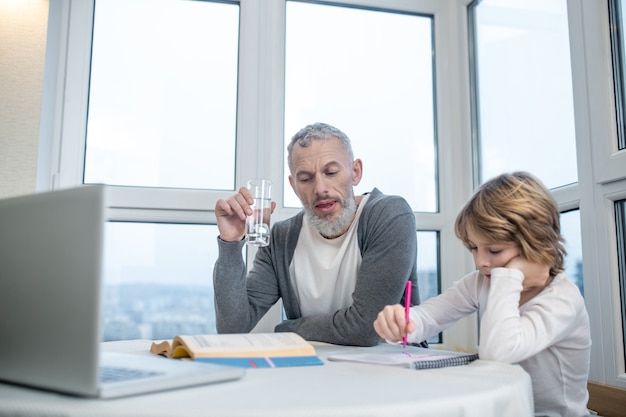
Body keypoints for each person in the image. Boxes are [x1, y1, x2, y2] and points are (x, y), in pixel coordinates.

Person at [374, 172, 592, 417]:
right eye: (474, 248)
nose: (480, 262)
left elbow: (498, 353)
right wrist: (402, 323)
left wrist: (511, 275)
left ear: (536, 243)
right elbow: (431, 316)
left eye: (495, 250)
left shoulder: (562, 301)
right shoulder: (482, 283)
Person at [213, 122, 422, 346]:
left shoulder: (388, 215)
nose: (320, 188)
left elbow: (365, 328)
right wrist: (231, 243)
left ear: (355, 172)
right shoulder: (282, 239)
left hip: (391, 370)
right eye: (306, 179)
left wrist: (290, 329)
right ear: (293, 186)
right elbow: (232, 327)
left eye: (331, 172)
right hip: (313, 372)